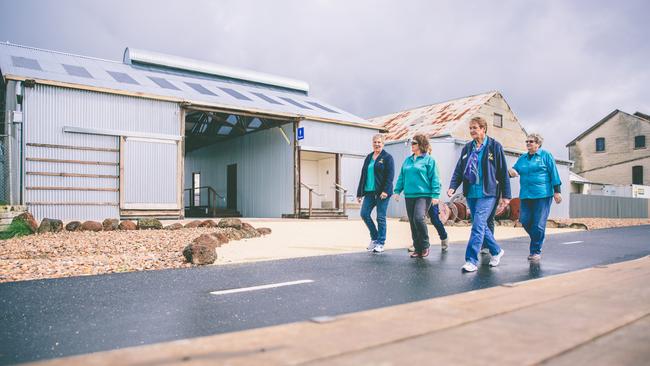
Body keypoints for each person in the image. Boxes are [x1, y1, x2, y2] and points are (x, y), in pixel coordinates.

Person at [448, 117, 511, 272]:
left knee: (477, 226)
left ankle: (471, 260)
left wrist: (506, 195)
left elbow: (503, 172)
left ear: (484, 129)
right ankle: (496, 250)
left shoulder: (494, 147)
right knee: (480, 224)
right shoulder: (467, 148)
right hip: (471, 193)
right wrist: (453, 186)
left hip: (488, 193)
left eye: (475, 127)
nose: (472, 131)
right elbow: (459, 169)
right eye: (470, 128)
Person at [509, 133, 562, 261]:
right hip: (526, 195)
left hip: (542, 195)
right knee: (525, 220)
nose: (528, 143)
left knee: (538, 224)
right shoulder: (523, 158)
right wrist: (510, 172)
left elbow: (553, 173)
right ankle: (539, 238)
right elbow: (515, 171)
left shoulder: (546, 156)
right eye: (527, 141)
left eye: (531, 141)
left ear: (538, 144)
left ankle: (535, 251)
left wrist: (557, 191)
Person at [393, 133, 441, 258]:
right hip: (409, 195)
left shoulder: (429, 160)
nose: (411, 145)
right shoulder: (408, 160)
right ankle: (417, 248)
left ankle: (425, 245)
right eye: (411, 143)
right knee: (412, 222)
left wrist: (436, 195)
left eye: (414, 143)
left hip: (424, 195)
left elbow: (435, 178)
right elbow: (401, 177)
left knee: (418, 218)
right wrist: (397, 191)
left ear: (420, 145)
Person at [356, 134, 395, 253]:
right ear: (372, 143)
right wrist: (359, 193)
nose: (377, 144)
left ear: (383, 143)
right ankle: (374, 238)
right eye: (375, 142)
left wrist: (385, 191)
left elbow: (390, 176)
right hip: (369, 192)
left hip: (382, 193)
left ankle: (381, 242)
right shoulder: (368, 157)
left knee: (380, 217)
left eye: (379, 142)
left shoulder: (387, 157)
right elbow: (363, 175)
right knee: (364, 214)